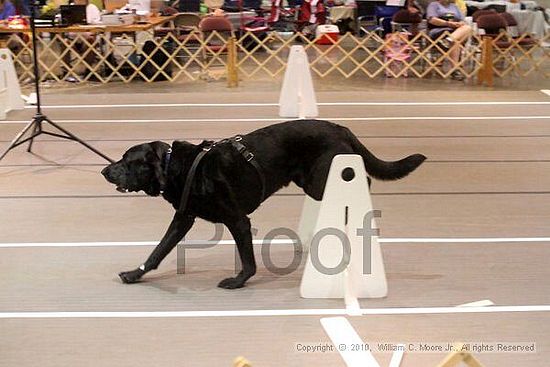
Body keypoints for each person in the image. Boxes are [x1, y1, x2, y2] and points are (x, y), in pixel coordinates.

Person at [426, 0, 471, 80]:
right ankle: (455, 70)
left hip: (454, 31)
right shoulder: (433, 5)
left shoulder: (454, 6)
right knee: (456, 40)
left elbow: (462, 20)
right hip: (438, 31)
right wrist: (448, 23)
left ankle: (448, 40)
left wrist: (459, 23)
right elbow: (432, 20)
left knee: (466, 28)